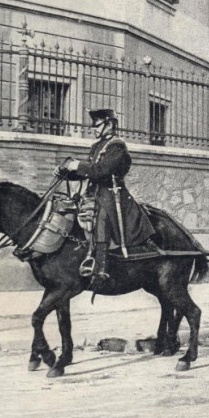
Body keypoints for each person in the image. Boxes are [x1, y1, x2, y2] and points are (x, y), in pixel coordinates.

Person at [55, 109, 157, 287]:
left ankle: (101, 267)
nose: (94, 129)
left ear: (109, 125)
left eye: (98, 125)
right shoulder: (97, 146)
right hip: (95, 192)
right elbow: (88, 173)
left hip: (113, 193)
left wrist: (77, 164)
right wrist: (66, 172)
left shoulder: (117, 147)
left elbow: (101, 170)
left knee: (101, 216)